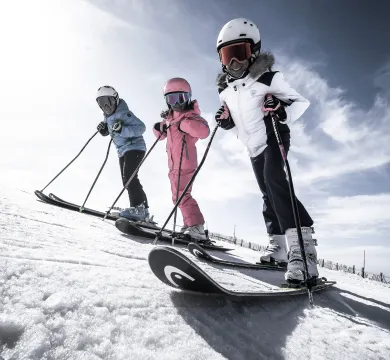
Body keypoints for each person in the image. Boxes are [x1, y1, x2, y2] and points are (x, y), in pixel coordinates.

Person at [214, 18, 318, 284]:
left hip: (274, 135)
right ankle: (280, 246)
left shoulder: (269, 78)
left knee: (276, 182)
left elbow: (299, 102)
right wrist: (227, 123)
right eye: (228, 56)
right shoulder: (225, 90)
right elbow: (237, 121)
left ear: (254, 53)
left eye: (240, 54)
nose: (234, 63)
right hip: (253, 145)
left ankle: (303, 253)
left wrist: (281, 108)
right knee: (266, 192)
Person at [153, 78, 210, 240]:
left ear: (188, 97)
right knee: (177, 196)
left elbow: (204, 131)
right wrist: (159, 127)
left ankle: (196, 227)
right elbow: (161, 136)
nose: (176, 103)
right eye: (171, 99)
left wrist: (185, 124)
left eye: (180, 98)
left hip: (185, 162)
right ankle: (189, 224)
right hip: (173, 164)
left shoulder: (192, 116)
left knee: (182, 195)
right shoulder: (170, 119)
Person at [96, 85, 150, 222]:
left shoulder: (124, 114)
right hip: (122, 151)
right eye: (102, 104)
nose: (106, 106)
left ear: (115, 99)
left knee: (130, 177)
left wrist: (122, 130)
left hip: (135, 147)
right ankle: (142, 209)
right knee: (127, 180)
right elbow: (111, 130)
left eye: (108, 101)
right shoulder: (107, 117)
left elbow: (141, 127)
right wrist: (104, 131)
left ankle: (138, 209)